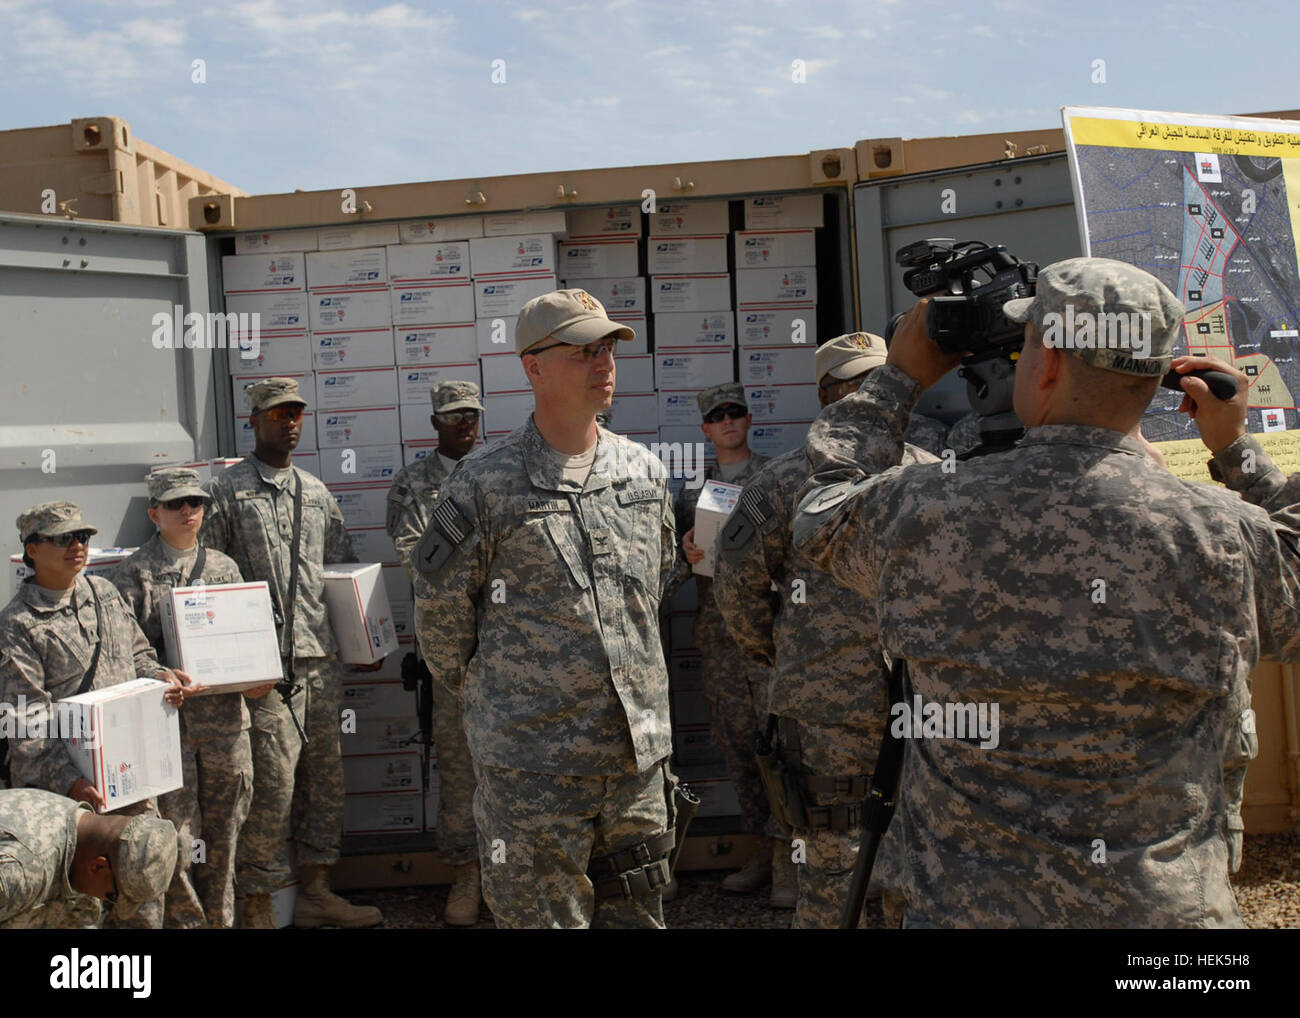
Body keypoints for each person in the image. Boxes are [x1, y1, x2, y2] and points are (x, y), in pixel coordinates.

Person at [792, 257, 1300, 928]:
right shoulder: (1223, 536)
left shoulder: (925, 508)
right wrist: (1235, 450)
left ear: (1050, 361)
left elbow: (822, 513)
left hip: (965, 910)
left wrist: (898, 380)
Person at [413, 288, 680, 929]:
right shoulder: (482, 483)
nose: (604, 364)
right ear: (534, 366)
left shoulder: (642, 472)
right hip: (533, 768)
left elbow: (655, 587)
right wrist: (511, 705)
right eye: (584, 351)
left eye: (609, 349)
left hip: (635, 762)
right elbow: (442, 624)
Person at [714, 333, 933, 927]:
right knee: (834, 878)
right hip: (828, 719)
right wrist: (790, 658)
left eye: (877, 381)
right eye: (851, 386)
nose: (868, 395)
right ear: (826, 398)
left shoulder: (934, 478)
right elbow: (737, 589)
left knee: (923, 869)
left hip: (926, 713)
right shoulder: (783, 485)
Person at [202, 378, 383, 929]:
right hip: (261, 672)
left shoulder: (316, 491)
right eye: (279, 414)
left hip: (318, 663)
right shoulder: (227, 493)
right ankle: (257, 902)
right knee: (271, 786)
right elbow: (207, 583)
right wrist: (230, 670)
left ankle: (316, 890)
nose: (290, 423)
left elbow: (342, 573)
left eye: (296, 414)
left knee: (324, 781)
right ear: (253, 421)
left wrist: (363, 641)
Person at [0, 501, 190, 929]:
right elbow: (24, 728)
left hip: (132, 782)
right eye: (63, 539)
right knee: (82, 915)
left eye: (82, 537)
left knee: (141, 901)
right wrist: (73, 783)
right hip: (69, 807)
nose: (77, 547)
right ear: (32, 549)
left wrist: (162, 679)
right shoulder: (18, 625)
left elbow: (140, 653)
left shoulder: (104, 594)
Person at [110, 468, 273, 929]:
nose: (188, 512)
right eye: (176, 504)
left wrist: (257, 677)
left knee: (224, 836)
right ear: (154, 513)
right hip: (170, 727)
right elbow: (125, 652)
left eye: (195, 503)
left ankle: (221, 922)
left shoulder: (225, 567)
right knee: (177, 839)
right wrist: (159, 674)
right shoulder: (133, 574)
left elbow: (247, 639)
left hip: (225, 726)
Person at [671, 383, 790, 904]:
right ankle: (761, 850)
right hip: (721, 638)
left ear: (749, 419)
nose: (727, 421)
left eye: (734, 412)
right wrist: (684, 548)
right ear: (704, 429)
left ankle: (791, 859)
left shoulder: (778, 478)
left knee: (782, 747)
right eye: (717, 415)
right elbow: (672, 567)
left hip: (772, 636)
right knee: (740, 749)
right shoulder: (691, 492)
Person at [385, 380, 484, 926]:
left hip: (508, 648)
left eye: (470, 414)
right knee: (459, 765)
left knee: (518, 763)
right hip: (448, 653)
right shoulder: (412, 485)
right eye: (453, 417)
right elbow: (417, 560)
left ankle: (513, 870)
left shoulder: (502, 471)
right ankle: (467, 875)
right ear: (435, 424)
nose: (464, 424)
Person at [0, 787, 176, 929]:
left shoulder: (78, 835)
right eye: (112, 896)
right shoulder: (19, 872)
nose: (102, 900)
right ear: (98, 867)